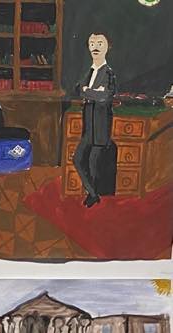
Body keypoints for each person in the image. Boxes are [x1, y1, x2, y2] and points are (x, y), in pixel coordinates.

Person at [72, 31, 118, 208]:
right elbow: (78, 89)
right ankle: (93, 193)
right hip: (88, 129)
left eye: (100, 43)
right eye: (92, 44)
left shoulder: (108, 73)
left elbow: (104, 97)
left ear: (108, 47)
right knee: (77, 159)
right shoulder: (90, 71)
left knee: (93, 164)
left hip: (100, 127)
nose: (95, 47)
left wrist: (88, 92)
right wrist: (92, 92)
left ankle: (94, 197)